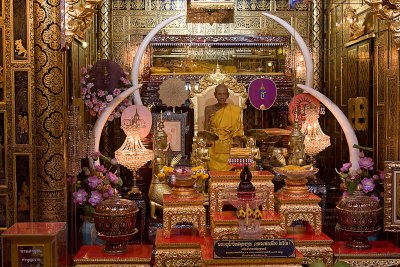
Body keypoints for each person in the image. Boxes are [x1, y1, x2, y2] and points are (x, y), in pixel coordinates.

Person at [204, 84, 243, 171]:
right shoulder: (208, 109)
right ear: (215, 95)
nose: (222, 97)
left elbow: (236, 127)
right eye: (219, 94)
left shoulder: (234, 110)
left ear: (227, 95)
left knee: (237, 154)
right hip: (214, 143)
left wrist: (236, 139)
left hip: (229, 142)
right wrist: (208, 139)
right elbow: (206, 128)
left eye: (224, 94)